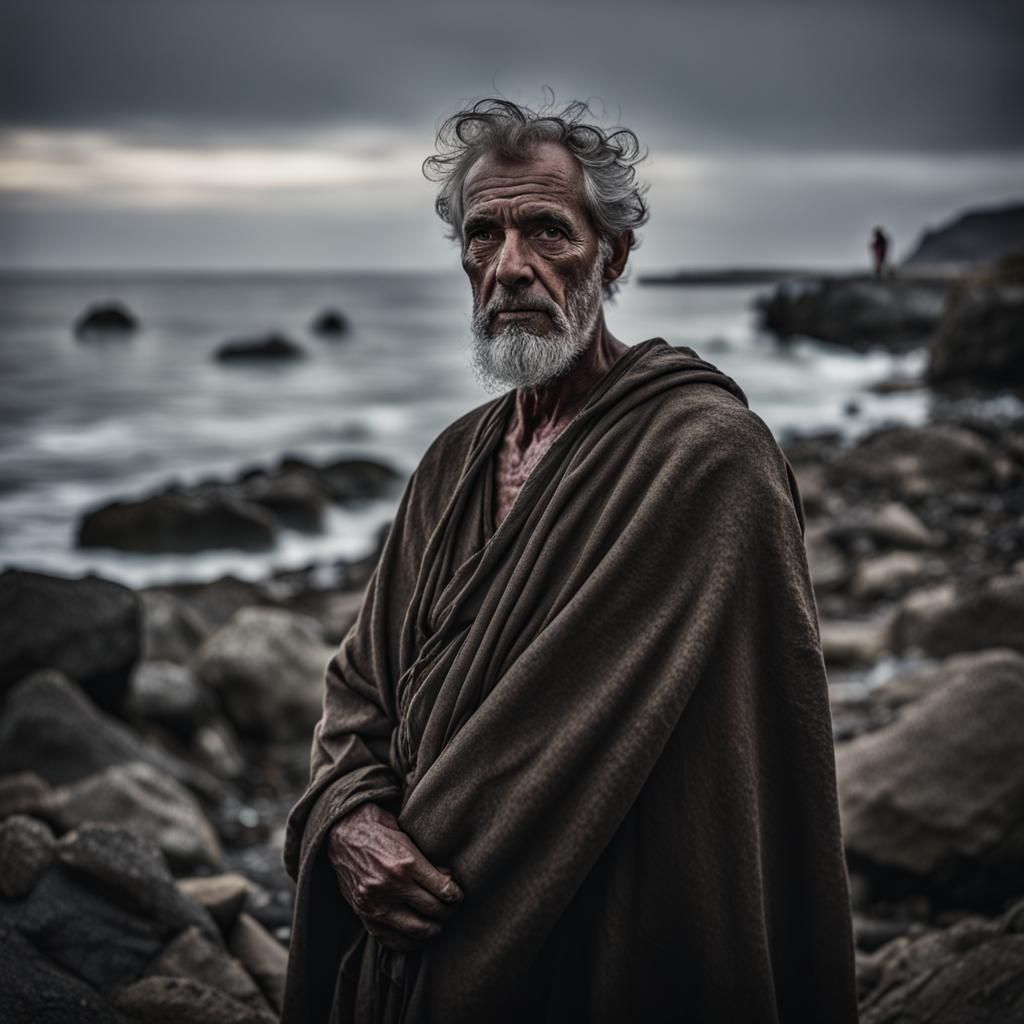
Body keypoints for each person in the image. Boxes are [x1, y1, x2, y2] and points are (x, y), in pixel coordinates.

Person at [281, 97, 859, 1024]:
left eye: (547, 229)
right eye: (483, 237)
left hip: (627, 940)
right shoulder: (451, 464)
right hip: (416, 940)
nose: (509, 267)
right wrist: (349, 818)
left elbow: (750, 743)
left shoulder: (711, 458)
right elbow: (360, 687)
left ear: (613, 253)